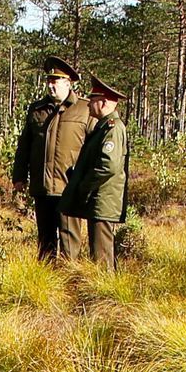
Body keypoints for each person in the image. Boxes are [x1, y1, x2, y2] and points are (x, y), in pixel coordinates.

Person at [10, 56, 91, 262]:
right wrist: (19, 176)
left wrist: (87, 183)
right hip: (42, 186)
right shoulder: (37, 109)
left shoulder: (85, 109)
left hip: (69, 187)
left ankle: (69, 281)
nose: (50, 85)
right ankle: (44, 283)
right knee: (45, 240)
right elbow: (24, 145)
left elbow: (93, 149)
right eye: (48, 81)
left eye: (54, 81)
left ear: (68, 83)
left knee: (69, 241)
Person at [62, 75, 129, 274]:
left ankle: (105, 297)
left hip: (103, 200)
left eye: (93, 99)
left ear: (105, 102)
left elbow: (108, 166)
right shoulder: (102, 128)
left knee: (101, 258)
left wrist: (84, 185)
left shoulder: (113, 129)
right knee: (98, 253)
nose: (89, 103)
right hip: (99, 200)